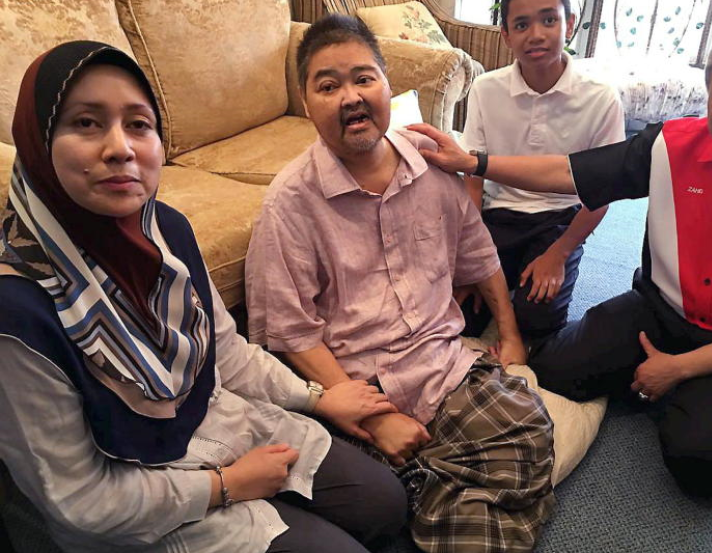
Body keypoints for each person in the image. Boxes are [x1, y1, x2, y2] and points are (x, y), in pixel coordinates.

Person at [0, 41, 407, 553]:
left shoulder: (164, 231)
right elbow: (81, 500)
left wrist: (317, 397)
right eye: (86, 123)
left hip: (216, 423)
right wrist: (227, 486)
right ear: (37, 140)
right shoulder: (19, 309)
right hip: (135, 499)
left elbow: (226, 352)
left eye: (138, 124)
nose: (120, 148)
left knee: (385, 503)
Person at [409, 19, 712, 497]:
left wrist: (680, 369)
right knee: (553, 370)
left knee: (701, 466)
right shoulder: (671, 144)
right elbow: (570, 172)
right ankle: (677, 385)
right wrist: (474, 162)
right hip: (658, 310)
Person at [245, 15, 554, 553]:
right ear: (307, 104)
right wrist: (378, 418)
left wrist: (509, 335)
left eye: (363, 78)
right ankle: (446, 499)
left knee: (530, 425)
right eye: (328, 86)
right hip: (362, 387)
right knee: (386, 499)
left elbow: (478, 253)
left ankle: (442, 498)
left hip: (440, 365)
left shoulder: (432, 167)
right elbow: (291, 332)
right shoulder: (289, 204)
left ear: (388, 85)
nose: (350, 97)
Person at [457, 0, 624, 340]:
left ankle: (535, 274)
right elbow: (473, 179)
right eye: (521, 25)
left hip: (559, 220)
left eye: (549, 20)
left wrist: (559, 254)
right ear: (505, 35)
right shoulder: (485, 89)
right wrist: (474, 255)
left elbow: (603, 193)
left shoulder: (601, 98)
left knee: (537, 320)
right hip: (498, 214)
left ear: (570, 24)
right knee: (461, 314)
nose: (536, 35)